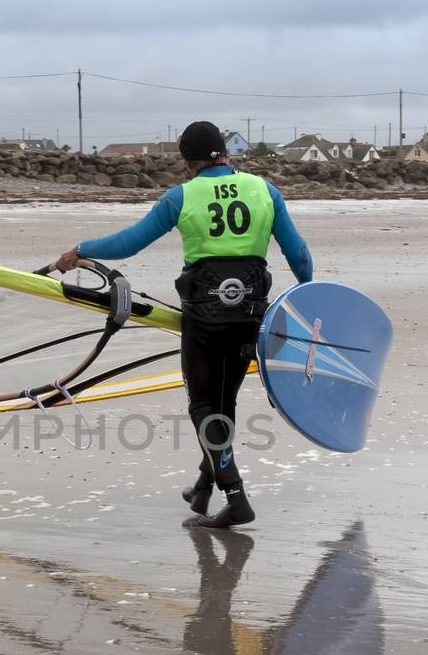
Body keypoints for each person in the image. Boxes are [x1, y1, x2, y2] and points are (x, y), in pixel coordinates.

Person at [53, 120, 313, 527]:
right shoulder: (265, 190)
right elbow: (298, 253)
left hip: (204, 316)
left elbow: (128, 244)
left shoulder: (181, 196)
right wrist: (312, 298)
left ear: (187, 161)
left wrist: (79, 251)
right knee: (223, 403)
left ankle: (236, 496)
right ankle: (203, 489)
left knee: (204, 405)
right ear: (225, 152)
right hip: (250, 314)